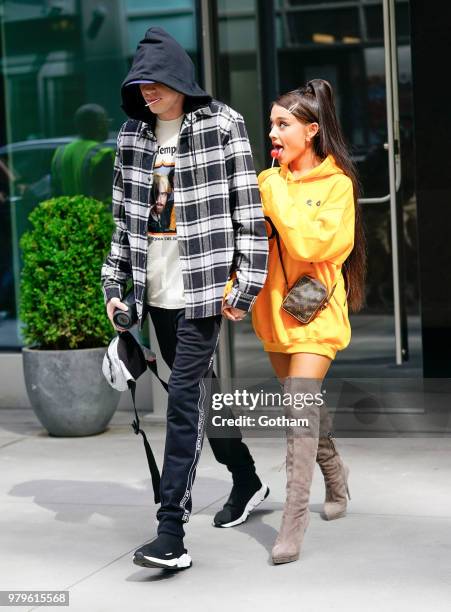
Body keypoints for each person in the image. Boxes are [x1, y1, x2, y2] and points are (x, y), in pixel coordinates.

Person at [101, 27, 269, 570]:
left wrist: (244, 285)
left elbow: (249, 213)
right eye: (139, 85)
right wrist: (115, 288)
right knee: (201, 393)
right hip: (155, 291)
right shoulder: (131, 136)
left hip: (203, 289)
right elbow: (122, 222)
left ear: (177, 78)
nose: (146, 94)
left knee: (181, 404)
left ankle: (170, 530)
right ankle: (245, 477)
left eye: (154, 83)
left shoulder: (223, 125)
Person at [252, 79, 366, 564]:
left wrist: (276, 189)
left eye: (284, 125)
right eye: (272, 125)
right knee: (305, 409)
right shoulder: (266, 180)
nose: (273, 133)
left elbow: (307, 248)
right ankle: (335, 471)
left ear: (312, 130)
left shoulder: (337, 186)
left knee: (298, 414)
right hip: (274, 311)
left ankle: (292, 523)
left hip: (315, 312)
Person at [51, 103, 114, 201]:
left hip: (67, 214)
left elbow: (55, 190)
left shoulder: (60, 152)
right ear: (101, 125)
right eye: (107, 122)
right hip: (96, 215)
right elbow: (106, 194)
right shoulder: (102, 153)